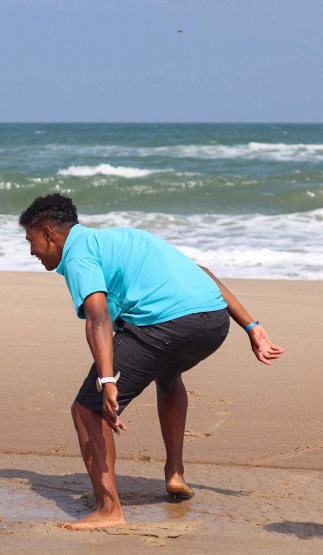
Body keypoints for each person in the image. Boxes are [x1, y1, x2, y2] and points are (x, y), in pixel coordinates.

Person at [18, 193, 284, 530]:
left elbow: (98, 320)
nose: (31, 251)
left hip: (169, 325)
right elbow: (201, 271)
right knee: (168, 374)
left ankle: (109, 510)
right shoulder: (121, 237)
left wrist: (107, 381)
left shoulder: (79, 255)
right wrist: (251, 326)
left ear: (47, 232)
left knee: (87, 409)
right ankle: (175, 473)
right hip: (214, 322)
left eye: (30, 241)